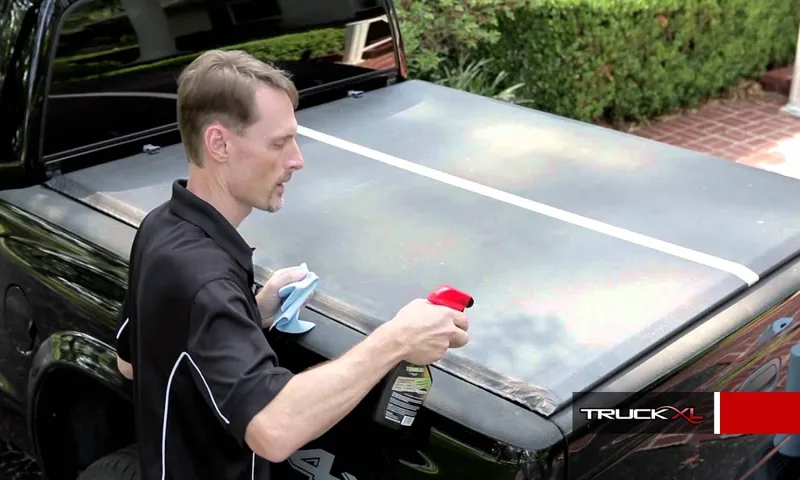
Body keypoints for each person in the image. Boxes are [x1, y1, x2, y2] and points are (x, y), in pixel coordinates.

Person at [114, 49, 470, 480]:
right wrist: (396, 340)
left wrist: (250, 312)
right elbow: (274, 430)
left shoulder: (160, 226)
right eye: (279, 143)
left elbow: (131, 363)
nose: (297, 159)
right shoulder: (206, 279)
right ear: (219, 143)